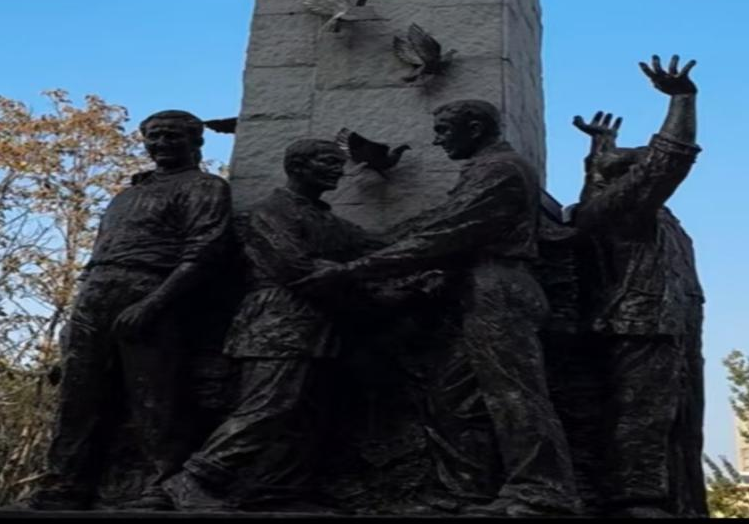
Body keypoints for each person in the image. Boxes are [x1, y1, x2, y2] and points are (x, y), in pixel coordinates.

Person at [295, 100, 582, 517]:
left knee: (513, 394)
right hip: (477, 289)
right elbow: (439, 221)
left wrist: (355, 268)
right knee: (454, 396)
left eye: (444, 130)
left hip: (498, 287)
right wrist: (375, 245)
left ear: (475, 127)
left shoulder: (500, 170)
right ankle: (466, 490)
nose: (436, 140)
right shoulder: (484, 170)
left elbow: (446, 233)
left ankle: (543, 492)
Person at [30, 109, 232, 511]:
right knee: (77, 393)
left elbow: (204, 252)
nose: (161, 143)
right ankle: (67, 481)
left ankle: (164, 482)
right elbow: (98, 256)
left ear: (196, 141)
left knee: (155, 393)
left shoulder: (206, 187)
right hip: (96, 294)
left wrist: (154, 303)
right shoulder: (125, 196)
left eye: (172, 135)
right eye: (153, 136)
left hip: (151, 288)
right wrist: (74, 320)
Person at [164, 137, 381, 511]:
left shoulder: (328, 220)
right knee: (269, 405)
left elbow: (376, 246)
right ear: (297, 166)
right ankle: (194, 477)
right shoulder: (271, 211)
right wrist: (355, 279)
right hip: (275, 323)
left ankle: (278, 489)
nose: (339, 169)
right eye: (328, 161)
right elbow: (296, 268)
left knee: (306, 414)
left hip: (318, 326)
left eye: (339, 162)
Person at [570, 54, 707, 518]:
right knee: (642, 415)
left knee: (671, 422)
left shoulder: (653, 217)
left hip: (666, 329)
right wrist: (682, 101)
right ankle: (636, 500)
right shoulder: (619, 209)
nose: (645, 165)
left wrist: (598, 153)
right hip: (639, 325)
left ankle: (666, 499)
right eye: (636, 164)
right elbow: (668, 162)